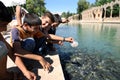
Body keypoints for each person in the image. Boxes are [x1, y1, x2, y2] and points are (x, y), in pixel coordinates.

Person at [0, 1, 36, 80]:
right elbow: (16, 50)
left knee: (4, 46)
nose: (5, 29)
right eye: (2, 25)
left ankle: (4, 74)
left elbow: (11, 52)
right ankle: (4, 76)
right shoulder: (16, 30)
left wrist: (25, 71)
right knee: (1, 47)